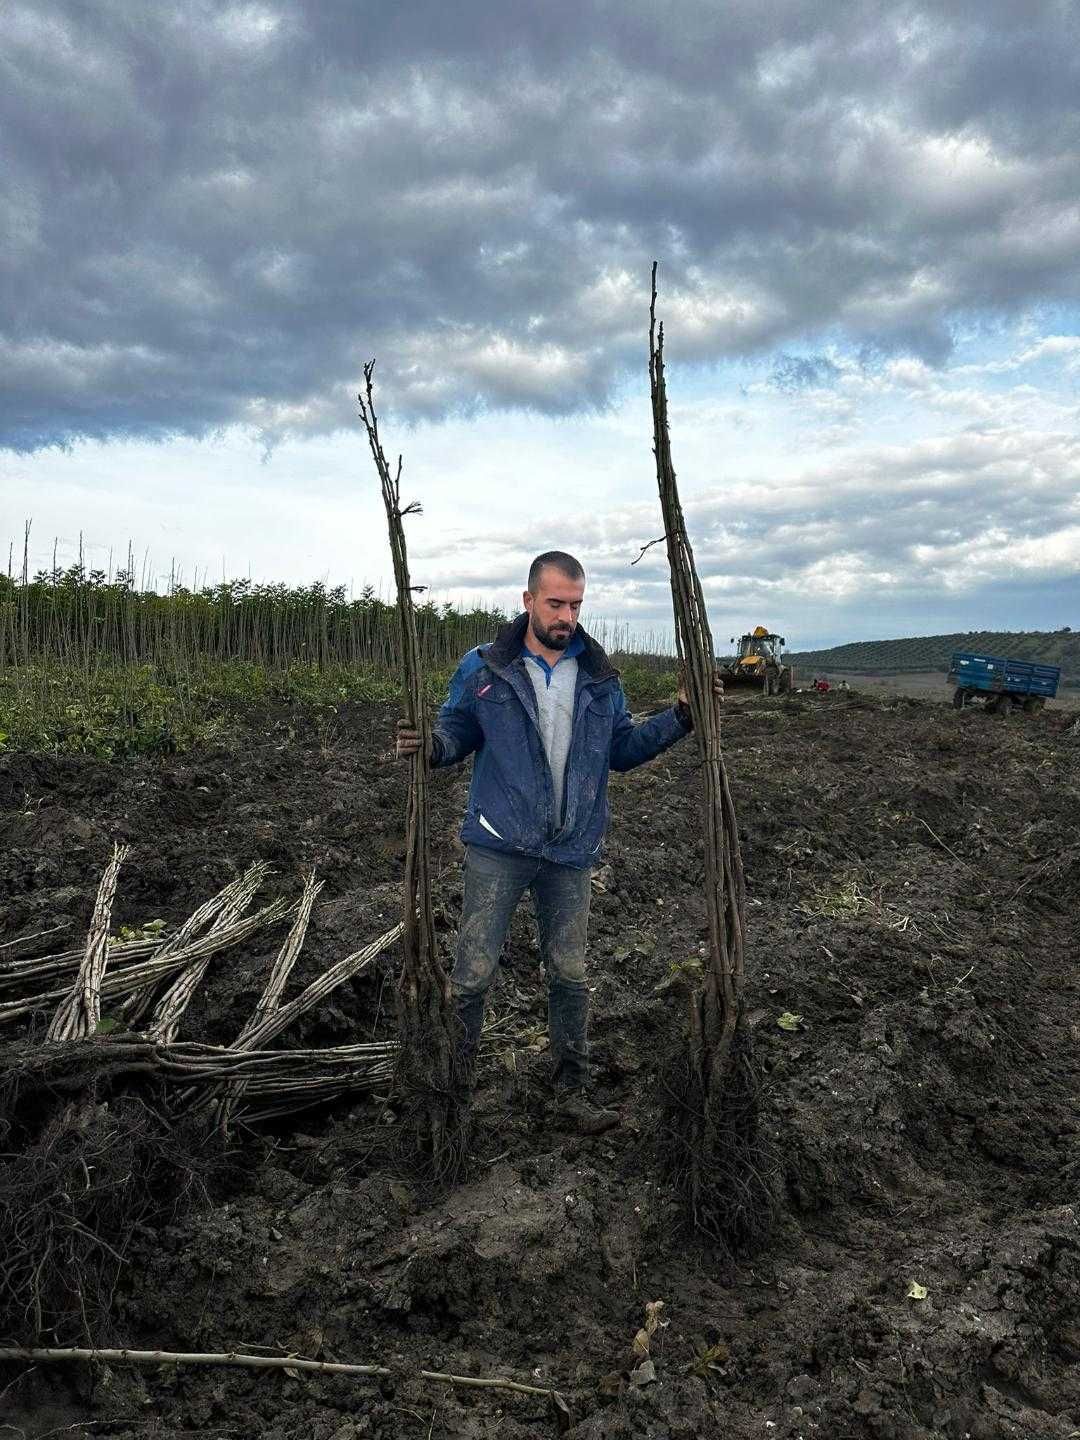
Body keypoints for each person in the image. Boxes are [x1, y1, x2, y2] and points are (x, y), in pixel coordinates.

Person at [396, 550, 722, 1134]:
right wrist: (432, 747)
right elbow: (456, 730)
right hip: (498, 846)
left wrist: (680, 718)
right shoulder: (484, 668)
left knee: (569, 973)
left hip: (570, 850)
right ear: (527, 601)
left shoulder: (598, 676)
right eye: (555, 603)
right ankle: (455, 1094)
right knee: (472, 972)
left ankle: (570, 1090)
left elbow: (621, 749)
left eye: (575, 604)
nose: (567, 615)